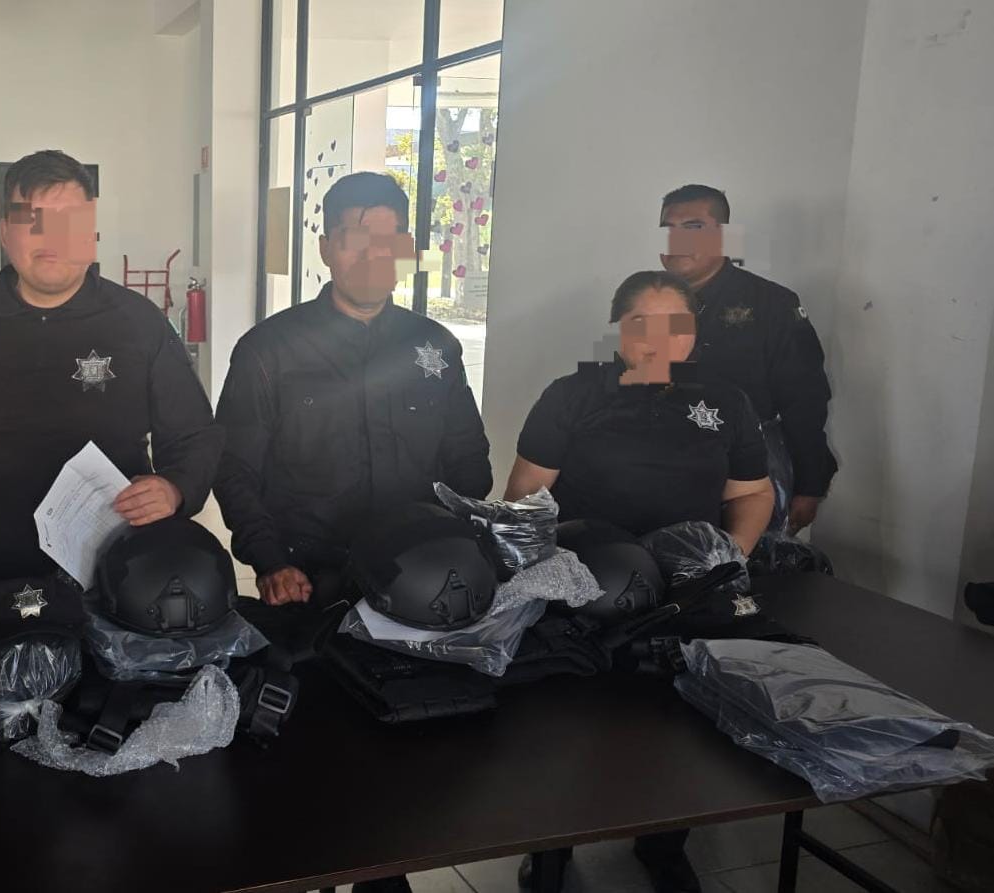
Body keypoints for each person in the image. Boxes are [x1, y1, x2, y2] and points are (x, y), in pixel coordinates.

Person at [504, 270, 773, 893]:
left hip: (686, 594)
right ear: (619, 328)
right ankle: (551, 850)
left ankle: (664, 843)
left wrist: (728, 556)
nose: (658, 340)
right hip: (588, 590)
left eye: (676, 324)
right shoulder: (574, 394)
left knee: (677, 726)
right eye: (641, 323)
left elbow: (752, 493)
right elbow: (524, 496)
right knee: (567, 727)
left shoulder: (725, 401)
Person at [0, 149, 223, 602]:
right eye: (32, 220)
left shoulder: (137, 323)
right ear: (5, 232)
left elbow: (195, 433)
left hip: (112, 574)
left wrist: (175, 488)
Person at [214, 171, 493, 611]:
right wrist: (270, 561)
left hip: (422, 572)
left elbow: (468, 455)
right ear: (326, 248)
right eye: (355, 240)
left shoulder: (435, 345)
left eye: (389, 241)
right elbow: (234, 469)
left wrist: (457, 537)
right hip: (309, 575)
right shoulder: (268, 351)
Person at [658, 184, 834, 536]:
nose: (677, 241)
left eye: (693, 228)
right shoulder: (651, 304)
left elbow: (805, 398)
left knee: (745, 562)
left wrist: (810, 483)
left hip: (747, 468)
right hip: (666, 460)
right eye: (668, 229)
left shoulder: (771, 303)